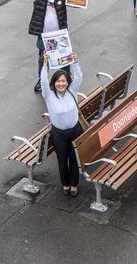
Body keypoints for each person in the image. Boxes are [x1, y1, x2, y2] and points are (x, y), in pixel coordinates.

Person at [16, 0, 68, 92]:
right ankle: (42, 80)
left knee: (64, 59)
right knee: (42, 59)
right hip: (44, 36)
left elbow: (77, 1)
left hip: (59, 35)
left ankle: (67, 79)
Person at [41, 52, 84, 196]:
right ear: (54, 83)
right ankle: (65, 183)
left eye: (64, 81)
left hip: (75, 131)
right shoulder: (49, 95)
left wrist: (75, 62)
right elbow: (43, 81)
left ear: (68, 82)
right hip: (59, 134)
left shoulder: (72, 91)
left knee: (74, 159)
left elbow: (78, 77)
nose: (61, 84)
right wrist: (45, 64)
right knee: (62, 159)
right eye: (58, 81)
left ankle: (74, 184)